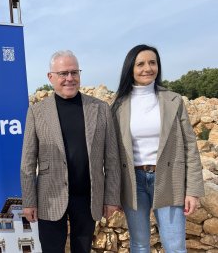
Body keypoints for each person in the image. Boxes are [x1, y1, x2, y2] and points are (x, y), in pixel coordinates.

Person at [20, 50, 121, 253]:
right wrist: (29, 201)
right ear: (51, 77)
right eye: (63, 73)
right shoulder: (36, 112)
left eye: (74, 72)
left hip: (87, 197)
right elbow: (28, 161)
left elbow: (112, 158)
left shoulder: (101, 109)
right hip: (50, 197)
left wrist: (111, 198)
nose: (69, 78)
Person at [111, 44, 205, 252]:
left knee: (175, 245)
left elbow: (190, 145)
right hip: (133, 181)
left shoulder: (173, 100)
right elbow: (112, 152)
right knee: (139, 243)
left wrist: (193, 191)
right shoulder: (118, 105)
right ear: (130, 69)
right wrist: (113, 191)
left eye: (152, 63)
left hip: (169, 178)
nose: (148, 68)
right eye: (141, 64)